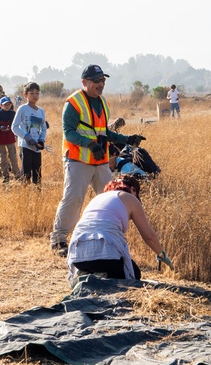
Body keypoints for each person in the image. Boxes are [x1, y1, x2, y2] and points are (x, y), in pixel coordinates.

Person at [49, 64, 146, 257]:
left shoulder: (102, 103)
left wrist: (127, 139)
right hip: (78, 160)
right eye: (96, 81)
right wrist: (90, 144)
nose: (101, 84)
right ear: (84, 82)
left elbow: (104, 132)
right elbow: (68, 134)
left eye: (103, 80)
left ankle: (111, 237)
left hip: (100, 161)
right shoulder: (73, 103)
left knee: (110, 198)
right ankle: (59, 239)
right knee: (73, 199)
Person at [67, 175, 173, 287]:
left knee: (100, 267)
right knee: (134, 274)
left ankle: (87, 277)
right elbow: (149, 236)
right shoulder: (131, 198)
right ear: (133, 189)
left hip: (77, 256)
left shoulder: (98, 198)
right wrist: (161, 254)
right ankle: (100, 278)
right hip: (105, 255)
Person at [12, 82, 47, 184]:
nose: (35, 96)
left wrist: (41, 140)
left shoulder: (41, 111)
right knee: (26, 174)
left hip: (36, 147)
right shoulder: (22, 109)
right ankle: (25, 195)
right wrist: (26, 137)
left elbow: (44, 129)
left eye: (37, 93)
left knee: (37, 174)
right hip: (25, 146)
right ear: (25, 95)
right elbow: (14, 127)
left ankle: (37, 196)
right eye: (31, 93)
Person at [0, 96, 22, 183]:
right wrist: (0, 127)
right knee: (2, 158)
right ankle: (6, 176)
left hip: (10, 137)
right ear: (0, 105)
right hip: (0, 138)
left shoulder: (12, 113)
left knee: (13, 157)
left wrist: (11, 130)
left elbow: (16, 125)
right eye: (5, 104)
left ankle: (17, 175)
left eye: (8, 104)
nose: (7, 106)